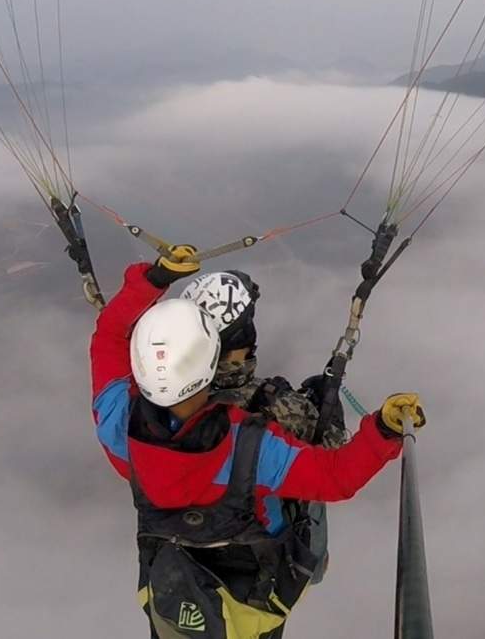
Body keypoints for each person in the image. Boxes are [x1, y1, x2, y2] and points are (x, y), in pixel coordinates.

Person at [90, 246, 425, 638]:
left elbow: (108, 337)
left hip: (173, 600)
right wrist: (383, 431)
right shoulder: (252, 447)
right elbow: (336, 478)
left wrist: (150, 282)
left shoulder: (117, 426)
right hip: (251, 605)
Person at [179, 270, 344, 584]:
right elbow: (332, 463)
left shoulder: (162, 400)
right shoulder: (281, 410)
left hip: (184, 553)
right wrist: (331, 415)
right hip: (257, 559)